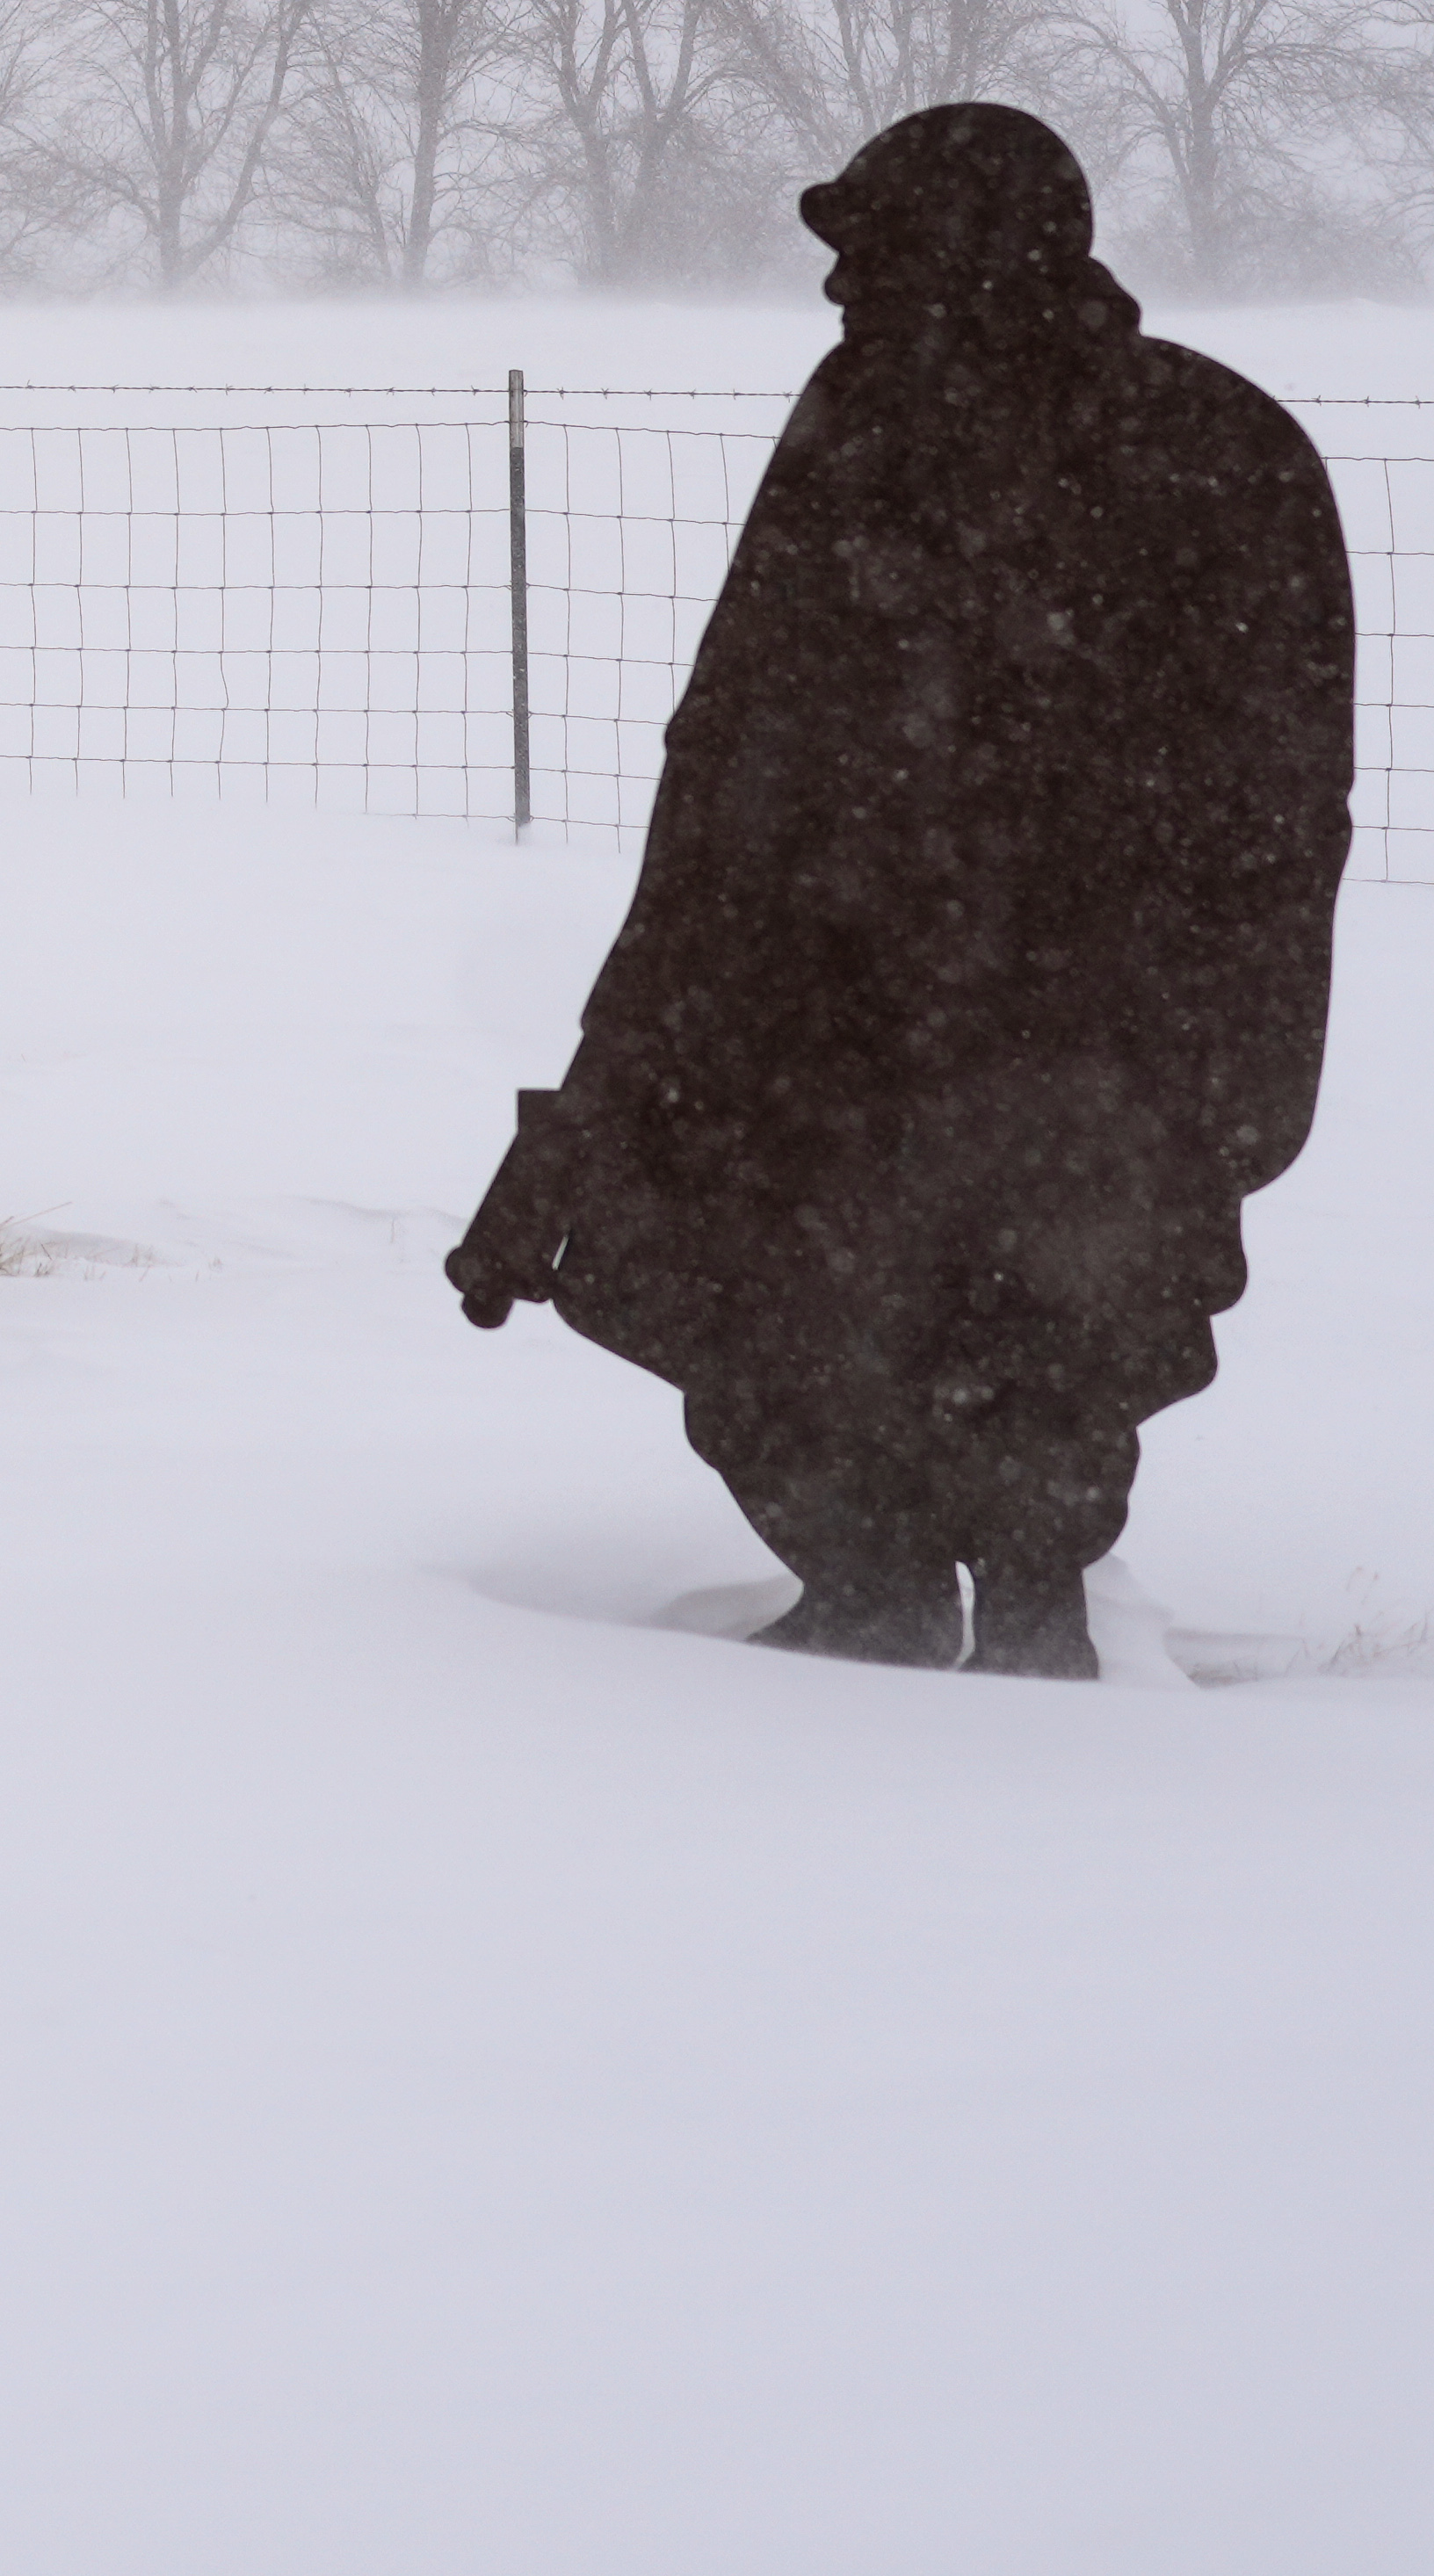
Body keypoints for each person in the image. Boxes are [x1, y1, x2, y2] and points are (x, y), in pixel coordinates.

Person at [444, 104, 1352, 1673]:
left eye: (869, 256)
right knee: (867, 1299)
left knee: (989, 1309)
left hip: (1011, 1015)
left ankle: (999, 1614)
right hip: (866, 997)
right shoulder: (926, 423)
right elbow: (736, 741)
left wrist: (1189, 1021)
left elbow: (1271, 794)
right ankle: (884, 1591)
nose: (835, 293)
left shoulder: (1182, 447)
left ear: (963, 256)